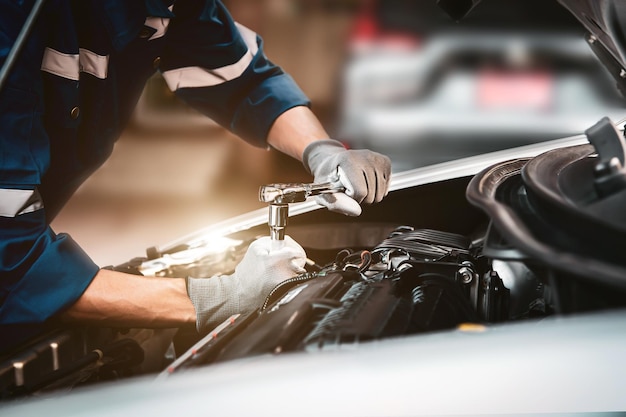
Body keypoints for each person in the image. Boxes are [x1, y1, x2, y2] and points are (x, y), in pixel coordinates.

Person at [0, 0, 391, 352]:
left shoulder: (166, 6)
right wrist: (223, 296)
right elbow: (15, 267)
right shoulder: (14, 22)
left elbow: (246, 79)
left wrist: (321, 150)